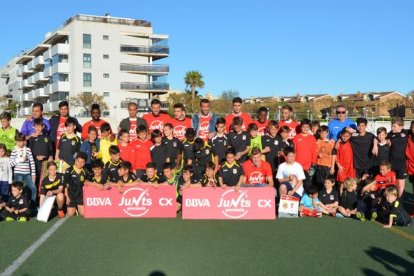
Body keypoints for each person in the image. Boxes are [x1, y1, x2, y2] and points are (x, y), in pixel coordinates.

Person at [10, 132, 36, 205]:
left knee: (33, 189)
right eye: (18, 141)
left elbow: (32, 162)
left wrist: (33, 175)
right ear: (16, 141)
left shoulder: (28, 150)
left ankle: (32, 207)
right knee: (19, 191)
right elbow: (10, 163)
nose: (20, 143)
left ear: (24, 141)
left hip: (27, 174)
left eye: (21, 141)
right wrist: (19, 160)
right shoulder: (14, 150)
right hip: (18, 174)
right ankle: (18, 206)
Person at [385, 117, 408, 198]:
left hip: (402, 164)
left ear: (401, 127)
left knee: (401, 185)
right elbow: (378, 137)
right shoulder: (389, 134)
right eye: (392, 126)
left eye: (394, 126)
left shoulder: (406, 133)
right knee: (392, 184)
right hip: (392, 164)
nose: (392, 128)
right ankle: (391, 200)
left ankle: (399, 201)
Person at [27, 118, 53, 191]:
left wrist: (49, 157)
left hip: (44, 164)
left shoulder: (47, 138)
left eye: (39, 126)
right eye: (36, 126)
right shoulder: (31, 138)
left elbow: (51, 151)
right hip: (34, 164)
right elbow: (29, 152)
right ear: (34, 127)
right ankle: (34, 201)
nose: (38, 128)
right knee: (34, 182)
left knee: (44, 183)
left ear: (43, 127)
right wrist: (36, 157)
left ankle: (43, 200)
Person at [292, 119, 317, 192]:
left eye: (307, 127)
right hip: (298, 166)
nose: (305, 129)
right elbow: (294, 151)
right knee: (297, 184)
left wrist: (313, 165)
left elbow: (314, 152)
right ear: (301, 127)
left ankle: (305, 202)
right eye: (303, 127)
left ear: (310, 128)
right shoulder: (296, 137)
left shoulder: (312, 138)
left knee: (307, 185)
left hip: (308, 167)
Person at [64, 152, 90, 217]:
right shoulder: (69, 170)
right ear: (75, 160)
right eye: (78, 161)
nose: (79, 163)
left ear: (85, 163)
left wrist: (87, 180)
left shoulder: (86, 171)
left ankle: (78, 208)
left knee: (83, 214)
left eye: (82, 162)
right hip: (71, 196)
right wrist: (67, 197)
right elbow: (65, 185)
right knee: (71, 214)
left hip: (80, 196)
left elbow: (88, 181)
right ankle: (73, 207)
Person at [333, 129, 355, 194]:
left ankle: (350, 200)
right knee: (341, 185)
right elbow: (336, 156)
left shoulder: (351, 142)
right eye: (343, 136)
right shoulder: (338, 145)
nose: (345, 137)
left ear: (350, 136)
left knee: (350, 185)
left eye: (347, 136)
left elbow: (357, 132)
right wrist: (339, 165)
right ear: (341, 135)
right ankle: (341, 200)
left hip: (350, 167)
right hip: (342, 167)